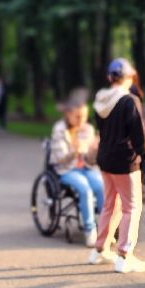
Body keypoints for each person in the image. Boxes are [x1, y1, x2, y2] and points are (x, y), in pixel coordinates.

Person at [92, 59, 145, 274]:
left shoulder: (100, 100)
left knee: (109, 205)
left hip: (105, 158)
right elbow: (138, 134)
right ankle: (125, 255)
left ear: (109, 78)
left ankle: (100, 250)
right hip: (124, 161)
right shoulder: (129, 101)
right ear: (130, 77)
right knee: (131, 207)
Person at [50, 97, 103, 247]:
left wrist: (95, 150)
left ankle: (105, 228)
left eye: (85, 116)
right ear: (68, 114)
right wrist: (74, 152)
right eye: (78, 116)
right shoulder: (59, 129)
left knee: (101, 186)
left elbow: (90, 160)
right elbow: (60, 159)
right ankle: (90, 230)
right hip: (67, 169)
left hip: (86, 167)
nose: (82, 120)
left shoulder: (88, 129)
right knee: (84, 188)